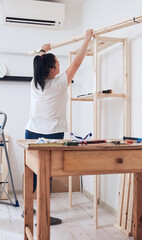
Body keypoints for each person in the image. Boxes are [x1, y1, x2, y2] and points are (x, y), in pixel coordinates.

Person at [24, 29, 94, 225]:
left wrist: (42, 51)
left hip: (31, 132)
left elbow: (39, 63)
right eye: (58, 65)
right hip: (52, 135)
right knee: (46, 176)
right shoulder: (61, 83)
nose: (61, 67)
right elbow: (77, 63)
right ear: (54, 70)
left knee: (33, 175)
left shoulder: (34, 84)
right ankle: (44, 216)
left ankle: (28, 211)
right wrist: (87, 38)